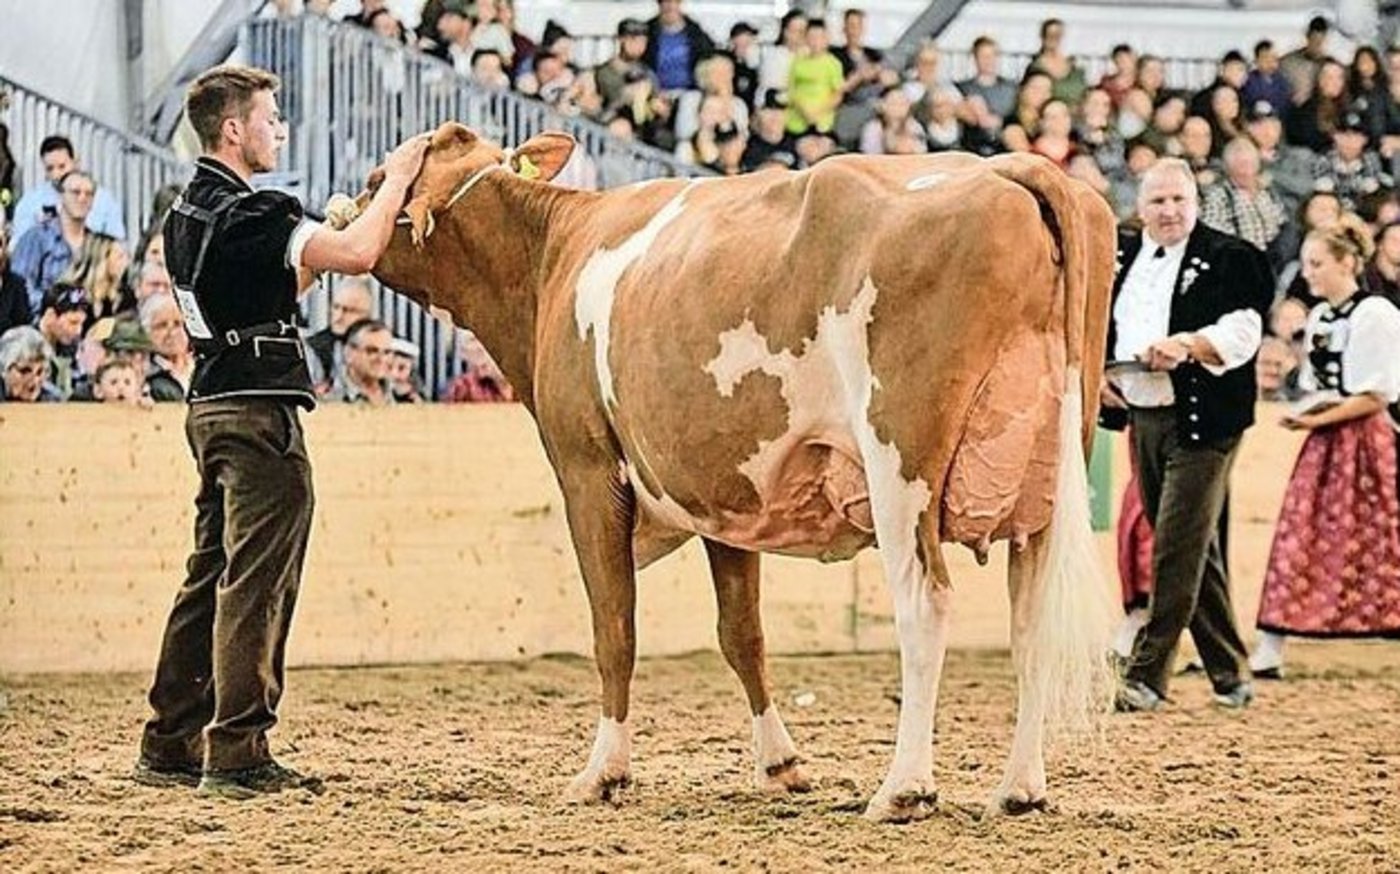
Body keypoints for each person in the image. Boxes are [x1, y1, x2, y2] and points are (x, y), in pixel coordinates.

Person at [133, 64, 428, 799]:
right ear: (234, 129)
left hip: (211, 402)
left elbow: (262, 293)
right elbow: (360, 255)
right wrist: (398, 179)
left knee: (210, 574)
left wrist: (314, 251)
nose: (280, 131)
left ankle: (170, 740)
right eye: (270, 119)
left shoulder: (188, 213)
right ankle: (238, 749)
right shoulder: (258, 211)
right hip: (260, 412)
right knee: (258, 581)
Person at [1100, 158, 1274, 712]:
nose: (1170, 211)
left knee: (1174, 547)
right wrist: (1099, 375)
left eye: (1179, 200)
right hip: (1144, 414)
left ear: (1196, 203)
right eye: (1158, 201)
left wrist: (1188, 344)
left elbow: (1244, 332)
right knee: (1194, 546)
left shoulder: (1230, 257)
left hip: (1206, 420)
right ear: (1140, 206)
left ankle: (1147, 675)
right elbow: (1099, 326)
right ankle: (1229, 673)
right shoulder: (1119, 255)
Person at [1251, 216, 1400, 676]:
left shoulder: (1375, 314)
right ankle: (1270, 645)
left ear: (1346, 263)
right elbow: (1319, 386)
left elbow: (1375, 396)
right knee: (1298, 534)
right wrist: (1311, 415)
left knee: (1383, 539)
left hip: (1367, 440)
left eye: (1317, 264)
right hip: (1325, 436)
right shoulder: (1319, 317)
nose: (1309, 273)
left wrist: (1313, 419)